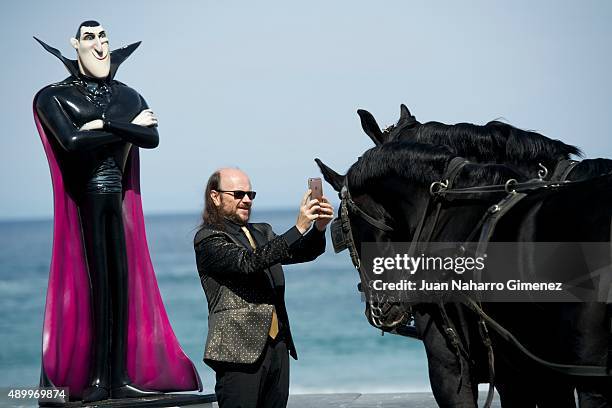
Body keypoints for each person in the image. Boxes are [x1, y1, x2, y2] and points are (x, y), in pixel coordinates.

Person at [34, 21, 201, 402]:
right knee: (97, 287)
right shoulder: (54, 97)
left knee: (121, 286)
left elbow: (152, 138)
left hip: (117, 201)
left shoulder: (128, 96)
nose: (99, 44)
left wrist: (106, 123)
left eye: (103, 37)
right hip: (87, 198)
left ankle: (118, 377)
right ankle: (95, 380)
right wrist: (127, 128)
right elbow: (73, 141)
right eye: (89, 37)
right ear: (75, 45)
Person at [194, 168, 333, 408]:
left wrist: (318, 228)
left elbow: (302, 252)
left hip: (277, 346)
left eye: (250, 194)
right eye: (238, 194)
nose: (246, 200)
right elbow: (248, 262)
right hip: (237, 353)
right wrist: (298, 228)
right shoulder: (209, 238)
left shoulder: (262, 231)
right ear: (215, 197)